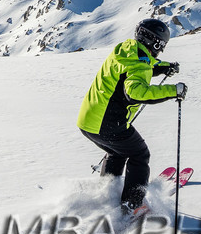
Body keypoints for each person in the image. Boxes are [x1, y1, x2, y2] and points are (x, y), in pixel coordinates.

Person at [76, 17, 188, 217]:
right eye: (161, 46)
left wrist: (162, 67)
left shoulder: (126, 49)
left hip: (88, 120)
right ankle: (132, 204)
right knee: (139, 154)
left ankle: (108, 193)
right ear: (155, 43)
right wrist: (173, 91)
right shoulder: (139, 63)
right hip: (108, 123)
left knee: (117, 152)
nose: (160, 50)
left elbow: (141, 64)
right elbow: (136, 91)